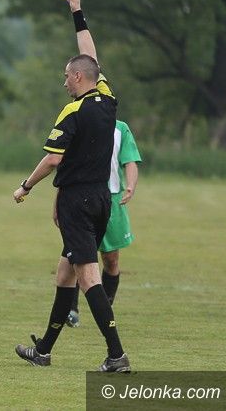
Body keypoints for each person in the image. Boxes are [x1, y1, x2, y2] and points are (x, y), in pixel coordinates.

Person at [11, 0, 130, 372]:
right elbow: (90, 56)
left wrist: (26, 186)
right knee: (64, 273)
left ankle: (116, 355)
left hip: (77, 202)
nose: (64, 82)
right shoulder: (107, 99)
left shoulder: (73, 111)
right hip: (101, 199)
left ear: (78, 77)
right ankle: (44, 350)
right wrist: (77, 13)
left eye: (67, 76)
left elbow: (52, 159)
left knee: (88, 277)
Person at [67, 120, 142, 327]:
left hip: (112, 201)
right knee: (78, 256)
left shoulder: (121, 129)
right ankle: (71, 309)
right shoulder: (81, 123)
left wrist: (131, 186)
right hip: (82, 197)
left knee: (111, 259)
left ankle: (105, 311)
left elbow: (130, 160)